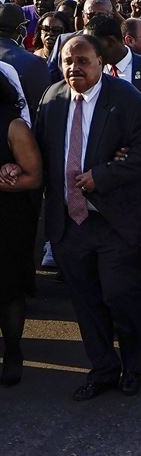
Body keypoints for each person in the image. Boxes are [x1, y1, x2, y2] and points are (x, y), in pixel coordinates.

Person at [34, 34, 141, 400]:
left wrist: (104, 175)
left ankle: (133, 366)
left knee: (122, 297)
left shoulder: (127, 100)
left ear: (100, 62)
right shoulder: (52, 98)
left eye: (82, 60)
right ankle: (104, 368)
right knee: (86, 302)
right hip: (70, 224)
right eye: (67, 60)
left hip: (116, 224)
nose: (73, 68)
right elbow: (43, 150)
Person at [0, 74, 42, 387]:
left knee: (8, 290)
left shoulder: (13, 125)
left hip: (7, 220)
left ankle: (13, 352)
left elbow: (34, 177)